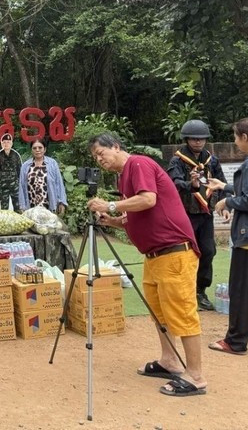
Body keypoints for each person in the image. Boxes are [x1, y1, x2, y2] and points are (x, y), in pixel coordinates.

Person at [86, 132, 206, 397]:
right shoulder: (124, 176)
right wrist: (112, 220)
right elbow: (138, 215)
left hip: (174, 252)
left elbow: (148, 199)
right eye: (95, 157)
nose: (99, 160)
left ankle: (196, 376)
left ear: (116, 146)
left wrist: (112, 204)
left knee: (182, 312)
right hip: (155, 255)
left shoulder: (138, 164)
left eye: (100, 153)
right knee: (159, 312)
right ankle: (169, 360)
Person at [206, 118, 248, 354]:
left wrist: (227, 201)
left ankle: (235, 341)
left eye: (236, 137)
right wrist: (225, 186)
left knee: (242, 292)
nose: (235, 141)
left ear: (245, 137)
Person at [167, 119, 228, 311]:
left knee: (208, 251)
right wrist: (190, 185)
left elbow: (222, 183)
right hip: (185, 214)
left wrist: (225, 205)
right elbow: (173, 184)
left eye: (201, 139)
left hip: (206, 214)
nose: (198, 142)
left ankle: (200, 291)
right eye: (194, 139)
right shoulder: (177, 160)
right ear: (186, 139)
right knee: (185, 253)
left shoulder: (212, 160)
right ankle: (183, 292)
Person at [18, 139, 68, 215]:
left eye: (40, 147)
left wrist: (62, 202)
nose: (37, 150)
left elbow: (59, 183)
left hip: (49, 206)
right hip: (31, 207)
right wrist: (22, 206)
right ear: (31, 150)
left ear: (45, 149)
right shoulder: (25, 166)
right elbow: (21, 187)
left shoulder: (52, 163)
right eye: (34, 148)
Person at [0, 133, 22, 211]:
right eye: (4, 142)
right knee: (4, 208)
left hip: (15, 186)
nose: (6, 144)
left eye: (8, 142)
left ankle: (17, 222)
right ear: (1, 144)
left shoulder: (16, 155)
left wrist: (21, 184)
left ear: (11, 143)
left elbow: (20, 170)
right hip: (3, 186)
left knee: (18, 207)